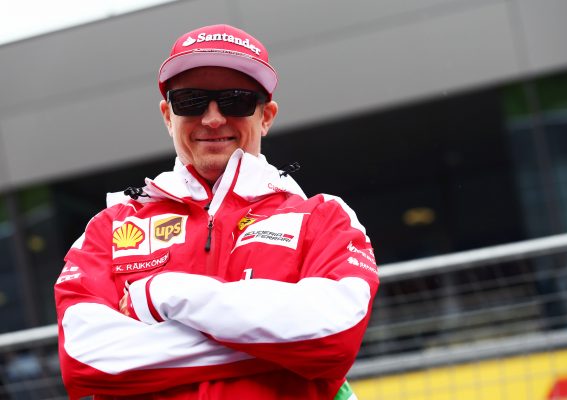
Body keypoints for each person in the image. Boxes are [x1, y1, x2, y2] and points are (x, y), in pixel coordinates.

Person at [54, 23, 379, 400]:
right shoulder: (109, 227)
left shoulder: (324, 217)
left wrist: (165, 294)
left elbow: (332, 337)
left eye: (236, 100)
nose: (212, 118)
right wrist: (279, 347)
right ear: (167, 115)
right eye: (190, 101)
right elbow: (85, 358)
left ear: (267, 116)